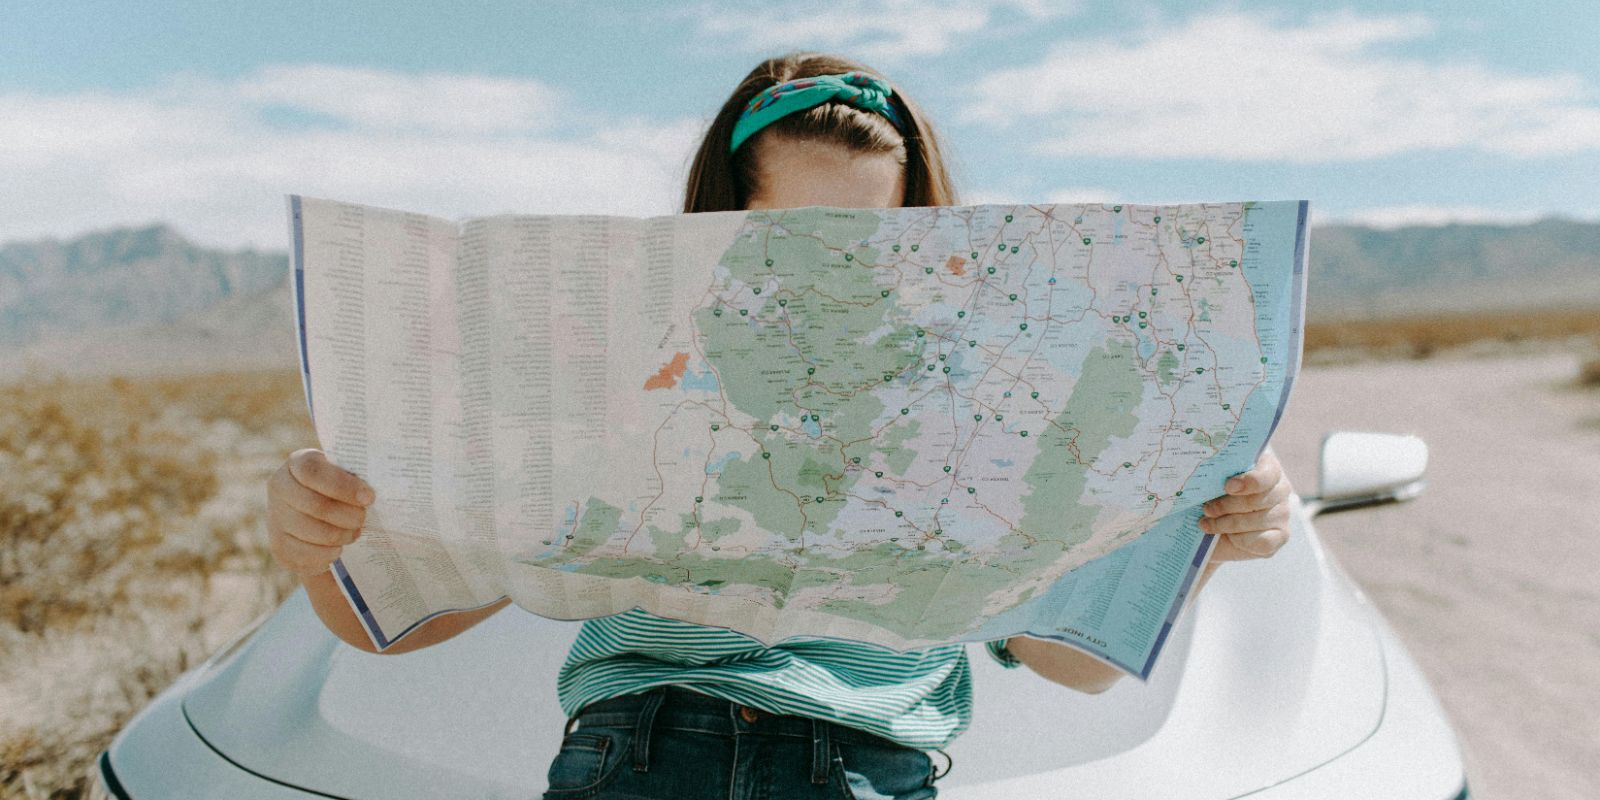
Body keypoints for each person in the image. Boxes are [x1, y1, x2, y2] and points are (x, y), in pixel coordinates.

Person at [265, 52, 1295, 800]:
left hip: (868, 770)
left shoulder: (995, 389)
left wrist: (1201, 531)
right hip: (637, 757)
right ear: (719, 223)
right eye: (789, 234)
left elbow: (1078, 661)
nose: (827, 267)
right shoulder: (618, 360)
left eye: (867, 238)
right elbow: (389, 624)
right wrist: (320, 544)